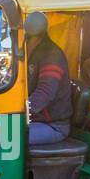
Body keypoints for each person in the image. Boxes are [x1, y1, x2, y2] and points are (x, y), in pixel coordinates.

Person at [24, 11, 73, 144]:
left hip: (53, 125)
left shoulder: (52, 55)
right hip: (35, 120)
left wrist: (18, 110)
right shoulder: (27, 52)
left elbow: (44, 93)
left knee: (8, 137)